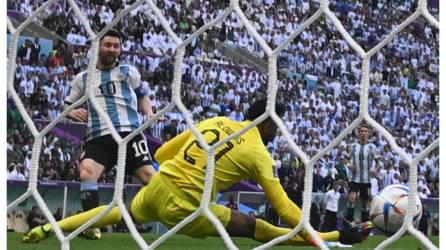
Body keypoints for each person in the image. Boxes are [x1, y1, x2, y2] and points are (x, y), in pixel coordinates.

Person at [23, 99, 372, 246]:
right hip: (187, 206)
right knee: (256, 228)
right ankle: (337, 239)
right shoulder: (258, 152)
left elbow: (160, 153)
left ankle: (45, 229)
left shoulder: (217, 121)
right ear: (268, 125)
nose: (278, 132)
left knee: (116, 212)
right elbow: (285, 209)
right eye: (277, 126)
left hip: (159, 184)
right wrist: (321, 235)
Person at [64, 29, 156, 239]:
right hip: (98, 135)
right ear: (98, 47)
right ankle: (91, 224)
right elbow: (68, 105)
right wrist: (71, 112)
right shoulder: (83, 78)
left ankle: (141, 216)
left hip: (129, 134)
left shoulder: (128, 72)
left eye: (116, 46)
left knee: (150, 178)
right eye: (108, 45)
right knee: (86, 172)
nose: (112, 50)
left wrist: (149, 111)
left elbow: (143, 95)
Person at [345, 124, 379, 225]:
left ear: (369, 133)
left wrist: (375, 170)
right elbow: (346, 158)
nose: (364, 133)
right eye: (362, 131)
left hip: (366, 179)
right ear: (358, 134)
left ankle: (365, 226)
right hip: (354, 178)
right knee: (352, 199)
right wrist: (349, 165)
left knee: (365, 204)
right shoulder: (353, 146)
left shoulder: (372, 147)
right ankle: (349, 223)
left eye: (366, 131)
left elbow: (378, 162)